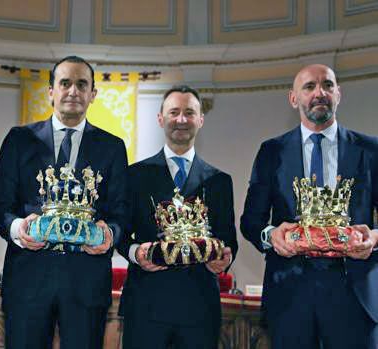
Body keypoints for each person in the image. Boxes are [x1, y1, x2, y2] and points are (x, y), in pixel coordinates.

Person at [0, 55, 128, 349]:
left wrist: (109, 235)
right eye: (65, 83)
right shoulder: (19, 139)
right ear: (51, 91)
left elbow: (121, 213)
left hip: (87, 282)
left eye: (82, 84)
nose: (73, 91)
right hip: (28, 278)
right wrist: (18, 229)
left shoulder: (113, 147)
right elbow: (0, 206)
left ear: (93, 94)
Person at [240, 64, 378, 348]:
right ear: (294, 99)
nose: (320, 93)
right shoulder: (271, 152)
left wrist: (374, 238)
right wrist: (271, 235)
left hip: (354, 293)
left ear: (339, 94)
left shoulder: (371, 150)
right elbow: (251, 221)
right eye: (309, 87)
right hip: (290, 294)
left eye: (328, 85)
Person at [117, 85, 238, 349]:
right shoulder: (134, 176)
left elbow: (228, 237)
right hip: (146, 304)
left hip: (200, 307)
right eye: (174, 112)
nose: (181, 120)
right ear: (161, 118)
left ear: (201, 120)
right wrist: (136, 252)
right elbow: (120, 233)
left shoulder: (219, 181)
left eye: (189, 113)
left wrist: (224, 259)